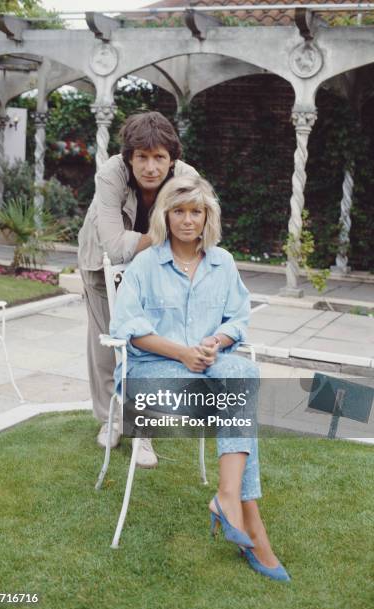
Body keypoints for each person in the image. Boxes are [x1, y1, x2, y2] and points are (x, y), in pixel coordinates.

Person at [109, 175, 290, 581]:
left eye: (196, 211)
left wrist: (214, 341)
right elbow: (126, 326)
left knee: (241, 373)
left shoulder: (222, 263)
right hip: (153, 372)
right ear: (166, 215)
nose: (188, 220)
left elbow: (239, 318)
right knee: (239, 402)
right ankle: (250, 522)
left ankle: (228, 498)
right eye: (179, 211)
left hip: (210, 367)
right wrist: (182, 352)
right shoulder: (145, 264)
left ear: (208, 216)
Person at [78, 111, 198, 468]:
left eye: (159, 157)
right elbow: (114, 245)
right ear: (129, 157)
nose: (150, 167)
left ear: (172, 159)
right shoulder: (110, 174)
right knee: (108, 345)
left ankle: (143, 430)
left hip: (155, 271)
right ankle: (109, 420)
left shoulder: (187, 177)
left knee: (150, 346)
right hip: (101, 267)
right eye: (142, 157)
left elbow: (200, 229)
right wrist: (164, 237)